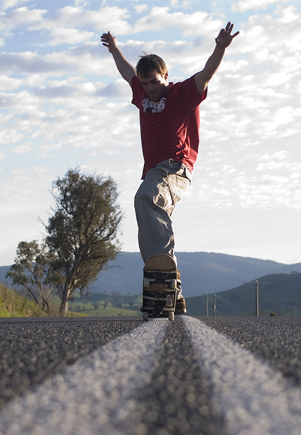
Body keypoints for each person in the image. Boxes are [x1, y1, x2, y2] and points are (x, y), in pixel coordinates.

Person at [101, 22, 239, 314]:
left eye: (155, 82)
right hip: (155, 171)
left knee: (145, 198)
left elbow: (206, 74)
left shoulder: (182, 93)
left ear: (166, 75)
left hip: (177, 167)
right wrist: (115, 49)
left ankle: (164, 280)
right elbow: (127, 72)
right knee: (152, 222)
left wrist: (220, 48)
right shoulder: (141, 90)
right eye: (146, 84)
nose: (150, 89)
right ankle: (171, 290)